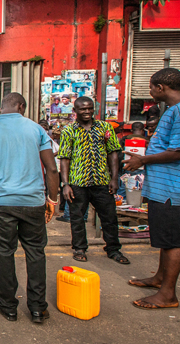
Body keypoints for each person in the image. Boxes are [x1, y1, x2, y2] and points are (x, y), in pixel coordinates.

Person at [123, 68, 180, 310]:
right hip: (167, 188)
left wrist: (144, 160)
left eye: (151, 87)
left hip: (174, 188)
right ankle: (160, 278)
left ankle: (168, 294)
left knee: (173, 241)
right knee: (167, 238)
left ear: (160, 88)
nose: (149, 91)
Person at [0, 93, 59, 324]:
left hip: (2, 203)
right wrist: (52, 200)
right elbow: (52, 170)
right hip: (33, 202)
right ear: (21, 106)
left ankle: (8, 306)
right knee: (35, 253)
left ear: (2, 108)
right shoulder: (37, 130)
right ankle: (38, 308)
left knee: (4, 253)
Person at [59, 96, 129, 265]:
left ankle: (113, 249)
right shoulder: (69, 131)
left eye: (90, 108)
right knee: (77, 218)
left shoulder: (105, 128)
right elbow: (64, 158)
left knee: (109, 217)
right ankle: (80, 248)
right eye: (83, 109)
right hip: (78, 182)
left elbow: (113, 152)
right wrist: (66, 184)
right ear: (75, 111)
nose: (87, 112)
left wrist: (114, 177)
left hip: (102, 181)